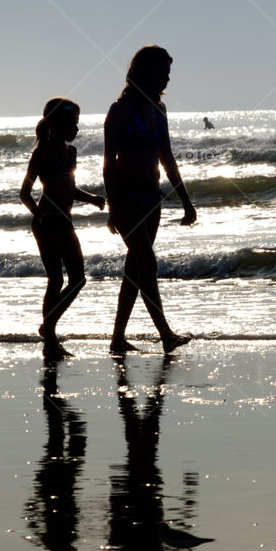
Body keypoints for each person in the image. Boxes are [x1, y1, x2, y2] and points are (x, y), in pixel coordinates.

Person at [103, 46, 196, 355]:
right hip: (126, 197)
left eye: (168, 71)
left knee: (134, 270)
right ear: (145, 71)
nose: (167, 77)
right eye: (162, 70)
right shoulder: (120, 110)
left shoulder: (159, 110)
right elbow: (108, 162)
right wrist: (113, 206)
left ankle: (117, 338)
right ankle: (166, 334)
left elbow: (166, 156)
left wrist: (185, 200)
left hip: (151, 198)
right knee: (147, 263)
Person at [20, 98, 104, 359]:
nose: (77, 129)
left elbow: (69, 188)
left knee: (79, 278)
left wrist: (91, 198)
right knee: (55, 279)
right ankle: (51, 340)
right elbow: (25, 193)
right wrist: (40, 214)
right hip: (46, 224)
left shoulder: (71, 151)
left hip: (65, 221)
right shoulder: (41, 152)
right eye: (73, 123)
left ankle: (48, 326)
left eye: (77, 123)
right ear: (57, 124)